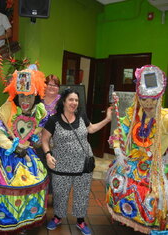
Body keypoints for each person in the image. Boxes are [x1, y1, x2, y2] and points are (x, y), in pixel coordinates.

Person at [0, 68, 49, 234]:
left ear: (36, 96)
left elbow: (37, 127)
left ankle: (21, 222)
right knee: (4, 188)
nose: (25, 100)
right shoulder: (8, 107)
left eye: (29, 96)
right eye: (22, 96)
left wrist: (30, 139)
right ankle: (0, 222)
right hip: (2, 155)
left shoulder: (39, 109)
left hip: (26, 154)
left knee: (29, 185)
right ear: (16, 95)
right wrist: (11, 145)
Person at [106, 65, 168, 234]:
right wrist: (118, 150)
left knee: (154, 196)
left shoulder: (165, 118)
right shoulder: (134, 115)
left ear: (159, 98)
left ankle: (149, 226)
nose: (148, 104)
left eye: (153, 100)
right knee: (118, 182)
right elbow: (119, 132)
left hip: (156, 165)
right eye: (144, 100)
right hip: (134, 161)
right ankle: (126, 218)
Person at [42, 88, 112, 235]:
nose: (74, 103)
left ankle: (80, 220)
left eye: (76, 100)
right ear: (63, 101)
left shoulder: (81, 117)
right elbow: (45, 139)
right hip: (61, 166)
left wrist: (107, 119)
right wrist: (48, 155)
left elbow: (91, 129)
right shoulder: (53, 120)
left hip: (83, 165)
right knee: (60, 193)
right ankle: (57, 217)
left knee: (82, 193)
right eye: (71, 99)